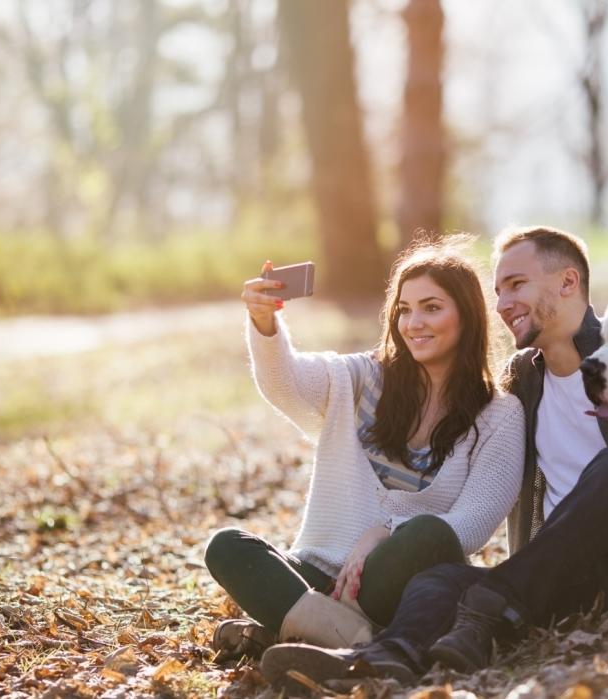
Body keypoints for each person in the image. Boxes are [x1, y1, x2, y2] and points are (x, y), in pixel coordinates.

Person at [260, 226, 608, 684]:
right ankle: (381, 660)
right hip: (556, 571)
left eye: (516, 284)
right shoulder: (523, 379)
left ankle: (490, 608)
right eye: (498, 291)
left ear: (569, 282)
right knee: (439, 580)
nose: (502, 305)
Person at [205, 238, 525, 662]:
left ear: (467, 316)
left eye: (432, 307)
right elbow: (288, 383)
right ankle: (360, 646)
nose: (414, 323)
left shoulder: (499, 414)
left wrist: (385, 532)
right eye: (405, 309)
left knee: (431, 532)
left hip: (396, 584)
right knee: (227, 546)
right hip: (318, 574)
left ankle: (295, 628)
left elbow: (473, 523)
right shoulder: (361, 378)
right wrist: (265, 325)